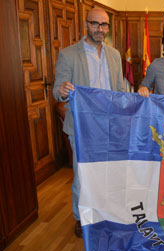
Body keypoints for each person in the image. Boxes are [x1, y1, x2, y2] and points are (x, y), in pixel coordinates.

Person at [52, 7, 124, 238]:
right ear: (86, 24)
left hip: (109, 126)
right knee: (83, 175)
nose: (100, 29)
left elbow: (120, 90)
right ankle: (80, 217)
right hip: (82, 127)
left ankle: (105, 213)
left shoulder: (114, 54)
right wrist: (62, 90)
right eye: (95, 24)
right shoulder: (68, 54)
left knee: (107, 173)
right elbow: (57, 90)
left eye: (104, 25)